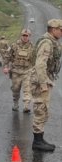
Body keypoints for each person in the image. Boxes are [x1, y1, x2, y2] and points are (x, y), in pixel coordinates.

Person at [29, 19, 62, 152]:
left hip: (43, 79)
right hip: (40, 80)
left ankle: (40, 139)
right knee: (40, 109)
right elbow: (40, 64)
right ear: (53, 29)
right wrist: (43, 83)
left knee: (43, 109)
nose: (61, 32)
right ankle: (37, 142)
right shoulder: (47, 43)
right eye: (60, 30)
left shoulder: (51, 42)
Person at [3, 29, 34, 112]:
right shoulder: (14, 46)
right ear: (21, 36)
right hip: (16, 72)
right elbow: (7, 56)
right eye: (23, 35)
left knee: (27, 89)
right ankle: (15, 103)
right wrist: (5, 67)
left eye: (26, 36)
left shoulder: (32, 47)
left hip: (27, 72)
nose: (25, 37)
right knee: (15, 89)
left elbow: (36, 59)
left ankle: (26, 106)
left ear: (29, 36)